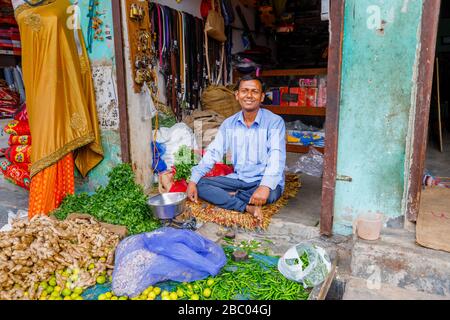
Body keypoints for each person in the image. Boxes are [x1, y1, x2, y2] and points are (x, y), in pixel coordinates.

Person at [12, 0, 104, 218]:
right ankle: (41, 210)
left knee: (62, 138)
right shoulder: (20, 4)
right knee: (45, 142)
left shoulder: (65, 5)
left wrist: (78, 83)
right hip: (38, 88)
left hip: (62, 88)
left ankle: (59, 208)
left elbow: (77, 48)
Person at [187, 75, 286, 224]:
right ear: (237, 95)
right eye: (245, 91)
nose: (249, 96)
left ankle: (231, 196)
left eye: (254, 91)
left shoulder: (274, 122)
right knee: (201, 185)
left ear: (262, 97)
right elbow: (214, 152)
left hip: (261, 180)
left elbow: (276, 156)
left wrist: (264, 186)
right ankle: (246, 206)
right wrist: (193, 181)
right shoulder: (229, 123)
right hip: (239, 179)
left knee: (270, 194)